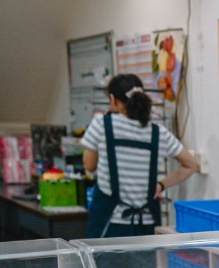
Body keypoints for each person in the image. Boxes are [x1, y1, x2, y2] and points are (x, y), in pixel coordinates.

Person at [82, 74, 200, 239]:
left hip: (109, 224)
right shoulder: (158, 132)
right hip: (147, 224)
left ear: (112, 99)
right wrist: (160, 185)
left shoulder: (101, 125)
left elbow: (89, 165)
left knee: (104, 266)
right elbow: (192, 165)